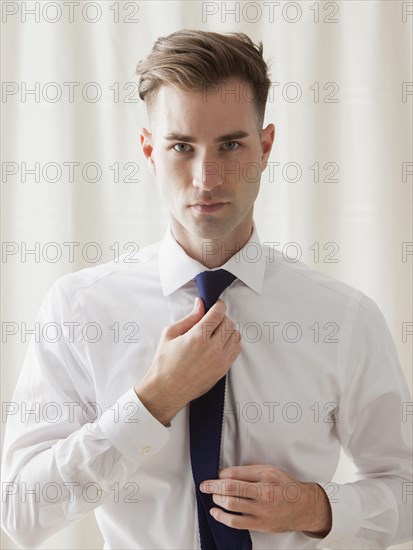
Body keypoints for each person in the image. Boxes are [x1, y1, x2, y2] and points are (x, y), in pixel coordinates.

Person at [1, 29, 412, 550]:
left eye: (231, 145)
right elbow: (20, 510)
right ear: (149, 151)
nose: (206, 178)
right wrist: (153, 401)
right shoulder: (80, 309)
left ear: (265, 148)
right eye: (180, 146)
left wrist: (315, 506)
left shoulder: (345, 318)